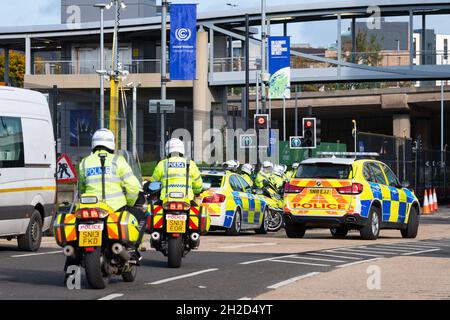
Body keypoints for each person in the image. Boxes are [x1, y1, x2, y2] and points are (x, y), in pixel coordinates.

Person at [78, 128, 146, 264]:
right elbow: (133, 187)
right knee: (141, 216)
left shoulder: (84, 162)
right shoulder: (118, 161)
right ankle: (132, 248)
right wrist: (131, 202)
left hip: (90, 209)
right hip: (115, 209)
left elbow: (82, 189)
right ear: (111, 144)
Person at [150, 138, 203, 203]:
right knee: (197, 212)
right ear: (182, 150)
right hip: (187, 200)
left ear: (167, 150)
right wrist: (196, 191)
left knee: (153, 211)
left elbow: (153, 185)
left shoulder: (162, 164)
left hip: (165, 200)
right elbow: (198, 185)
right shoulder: (190, 164)